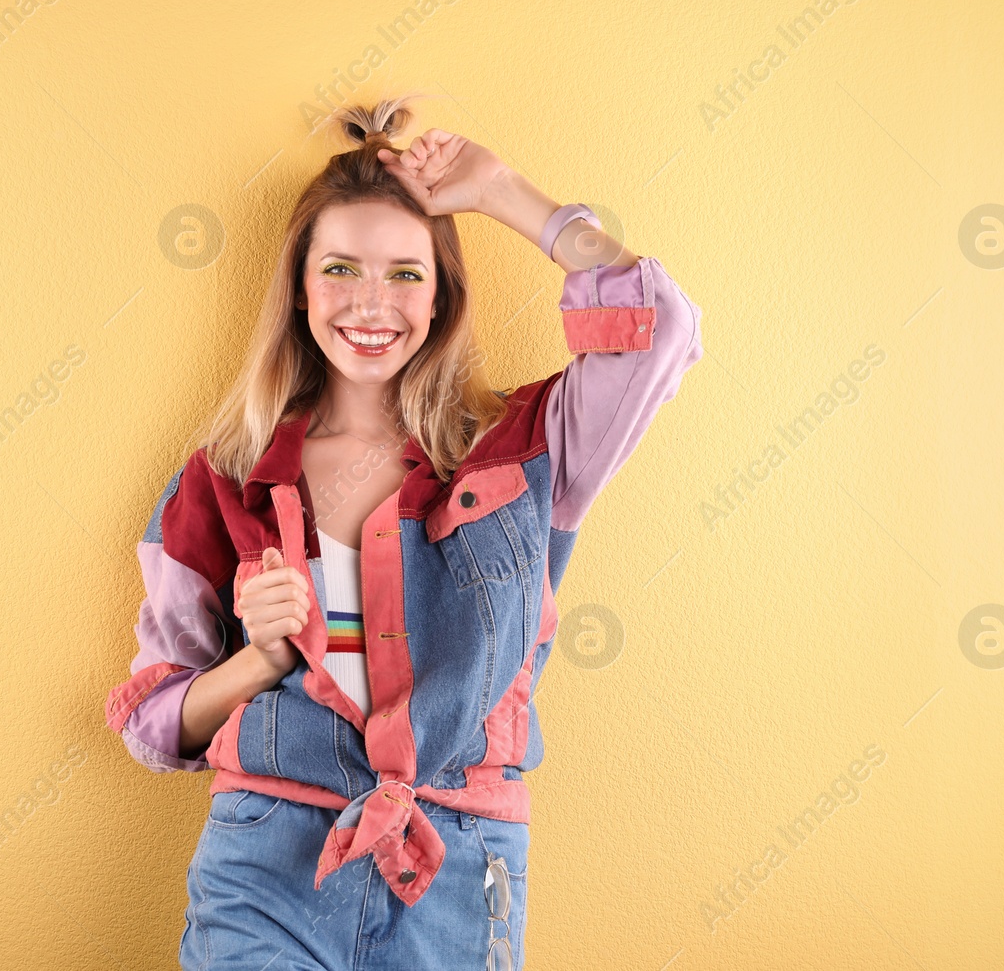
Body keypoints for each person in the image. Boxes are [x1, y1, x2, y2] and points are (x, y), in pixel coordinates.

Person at [106, 93, 704, 969]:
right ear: (300, 288)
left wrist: (504, 194)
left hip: (460, 873)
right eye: (341, 269)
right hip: (265, 866)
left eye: (406, 273)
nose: (371, 302)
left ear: (441, 293)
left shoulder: (525, 453)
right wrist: (259, 659)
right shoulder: (222, 479)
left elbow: (660, 332)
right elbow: (156, 725)